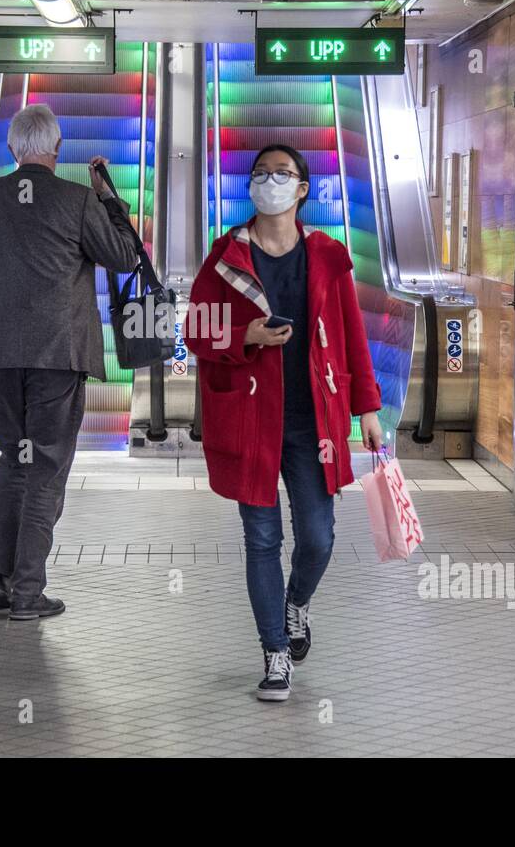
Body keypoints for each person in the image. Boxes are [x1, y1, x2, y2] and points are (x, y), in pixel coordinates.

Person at [185, 143, 383, 701]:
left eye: (283, 174)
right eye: (260, 173)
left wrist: (367, 407)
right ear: (250, 187)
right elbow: (197, 330)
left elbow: (351, 335)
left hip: (313, 421)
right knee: (262, 538)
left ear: (301, 190)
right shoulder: (226, 256)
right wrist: (243, 337)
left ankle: (296, 604)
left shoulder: (327, 255)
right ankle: (275, 654)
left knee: (318, 539)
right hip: (251, 418)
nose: (269, 181)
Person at [0, 103, 138, 620]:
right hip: (56, 354)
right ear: (57, 148)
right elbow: (124, 256)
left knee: (14, 460)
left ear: (10, 148)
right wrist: (109, 201)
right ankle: (27, 592)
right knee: (44, 466)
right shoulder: (75, 200)